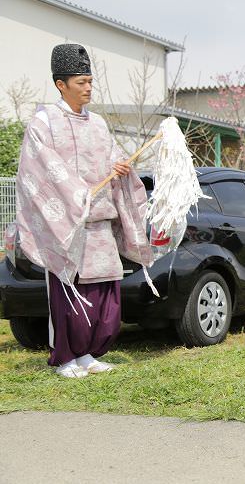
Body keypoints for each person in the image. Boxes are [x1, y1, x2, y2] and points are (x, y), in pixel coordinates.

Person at [14, 43, 153, 378]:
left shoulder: (100, 124)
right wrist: (76, 194)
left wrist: (121, 169)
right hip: (68, 225)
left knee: (105, 295)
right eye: (81, 82)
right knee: (71, 295)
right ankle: (65, 358)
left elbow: (112, 158)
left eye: (90, 81)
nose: (88, 88)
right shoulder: (43, 123)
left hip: (100, 221)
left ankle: (89, 354)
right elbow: (40, 170)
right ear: (61, 84)